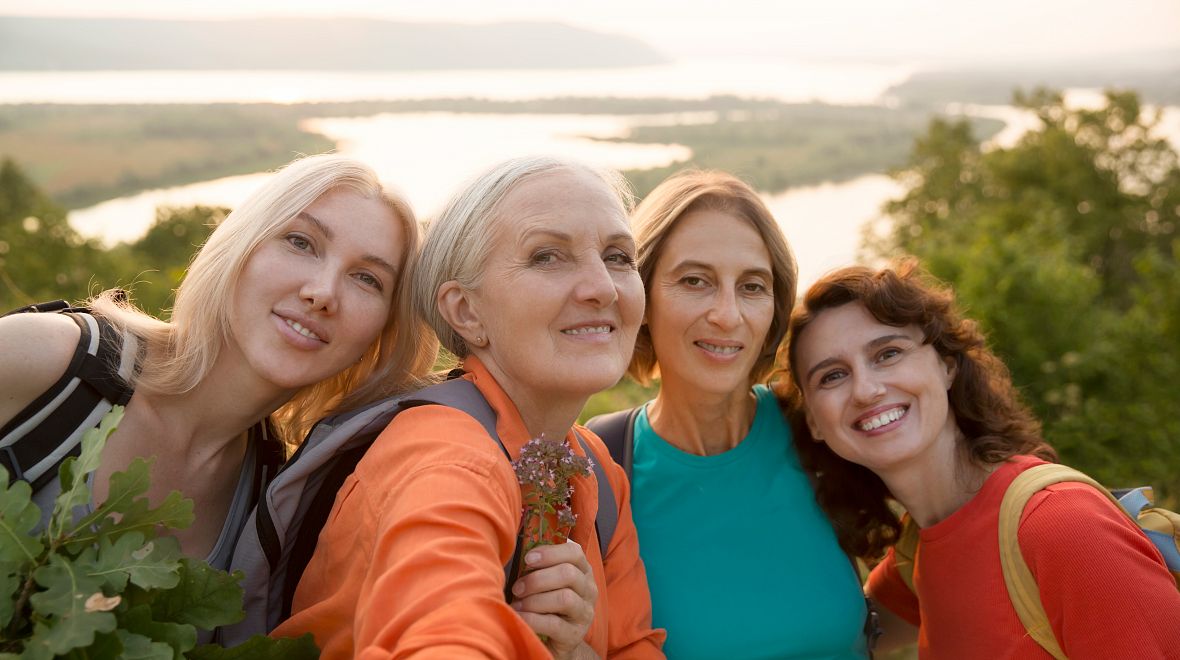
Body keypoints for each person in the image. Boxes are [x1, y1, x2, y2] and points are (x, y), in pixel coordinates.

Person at [272, 156, 666, 659]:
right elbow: (444, 632)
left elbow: (635, 647)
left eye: (618, 256)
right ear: (465, 311)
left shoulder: (597, 471)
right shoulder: (445, 457)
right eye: (547, 256)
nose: (602, 288)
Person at [0, 153, 436, 573]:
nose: (322, 293)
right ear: (240, 247)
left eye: (367, 279)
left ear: (382, 334)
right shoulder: (48, 362)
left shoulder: (267, 502)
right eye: (301, 242)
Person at [785, 260, 1180, 658]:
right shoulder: (918, 551)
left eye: (888, 353)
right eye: (831, 376)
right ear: (815, 422)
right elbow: (811, 637)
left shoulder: (1062, 525)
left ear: (947, 366)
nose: (866, 390)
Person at [589, 170, 869, 658]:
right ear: (641, 295)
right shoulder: (602, 466)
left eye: (753, 286)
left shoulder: (820, 429)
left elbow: (941, 542)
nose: (727, 314)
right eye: (695, 281)